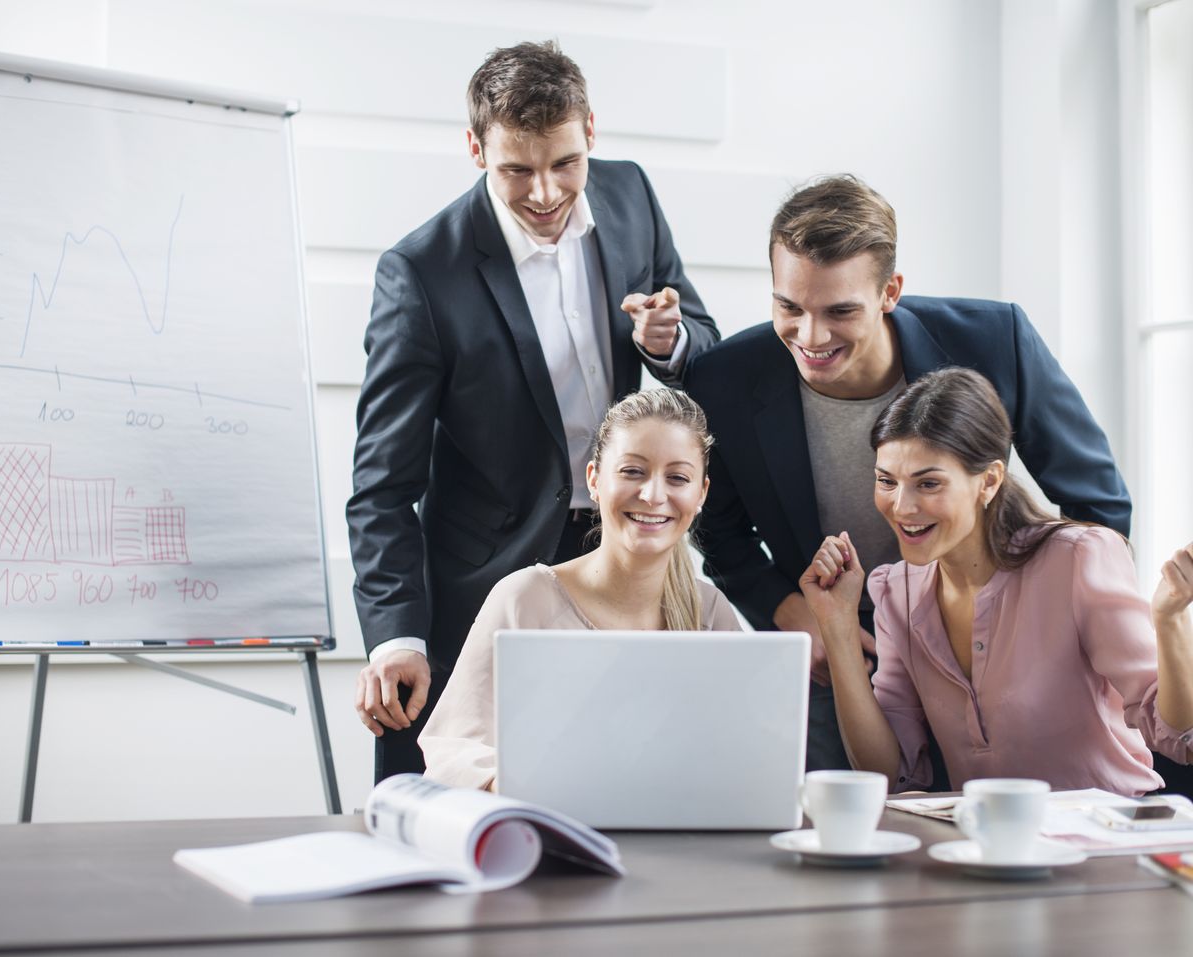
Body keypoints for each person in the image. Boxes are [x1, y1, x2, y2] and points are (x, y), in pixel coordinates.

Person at [348, 41, 720, 780]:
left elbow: (703, 339)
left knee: (634, 780)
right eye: (516, 169)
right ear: (476, 148)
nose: (546, 193)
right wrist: (397, 636)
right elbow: (381, 486)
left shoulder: (631, 196)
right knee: (454, 794)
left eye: (565, 164)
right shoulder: (421, 273)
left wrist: (669, 341)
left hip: (626, 557)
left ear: (591, 131)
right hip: (485, 576)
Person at [683, 174, 1130, 773]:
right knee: (851, 818)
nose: (810, 336)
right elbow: (717, 531)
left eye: (841, 311)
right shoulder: (723, 379)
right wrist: (787, 610)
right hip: (840, 646)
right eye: (789, 307)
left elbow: (1098, 503)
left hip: (994, 639)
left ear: (890, 291)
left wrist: (1045, 624)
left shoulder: (996, 340)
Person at [800, 367, 1193, 795]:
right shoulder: (897, 591)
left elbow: (1176, 733)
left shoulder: (1078, 558)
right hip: (989, 834)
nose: (902, 507)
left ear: (988, 481)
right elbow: (888, 773)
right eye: (886, 481)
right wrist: (837, 624)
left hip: (1108, 827)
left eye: (928, 483)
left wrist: (1169, 619)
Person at [419, 389, 740, 789]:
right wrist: (532, 789)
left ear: (701, 493)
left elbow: (742, 754)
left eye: (677, 478)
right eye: (632, 471)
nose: (653, 495)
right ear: (594, 480)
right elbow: (453, 749)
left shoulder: (710, 613)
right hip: (548, 822)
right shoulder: (526, 598)